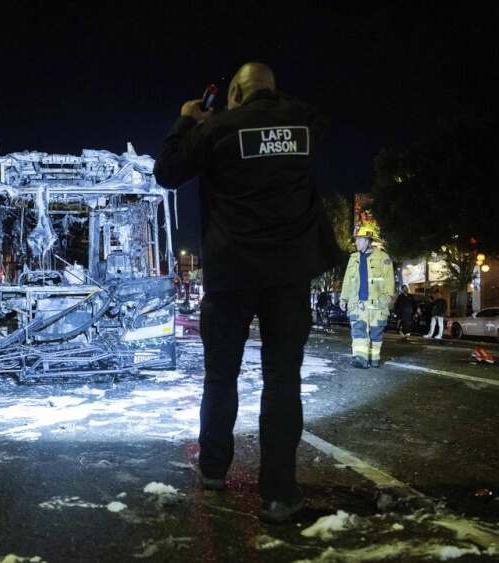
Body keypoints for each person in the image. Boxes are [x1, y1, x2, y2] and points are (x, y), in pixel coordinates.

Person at [153, 62, 342, 524]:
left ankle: (215, 469)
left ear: (233, 93)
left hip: (231, 273)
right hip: (288, 275)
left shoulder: (217, 128)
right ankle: (279, 495)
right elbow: (317, 120)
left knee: (221, 376)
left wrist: (187, 119)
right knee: (282, 381)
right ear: (272, 91)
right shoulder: (302, 122)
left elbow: (166, 171)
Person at [340, 223, 395, 368]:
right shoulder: (353, 258)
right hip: (358, 304)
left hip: (377, 304)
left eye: (358, 239)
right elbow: (347, 279)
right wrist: (343, 297)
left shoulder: (383, 257)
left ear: (367, 241)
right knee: (359, 331)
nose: (356, 242)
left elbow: (389, 277)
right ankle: (360, 358)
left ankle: (374, 359)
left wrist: (389, 293)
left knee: (376, 334)